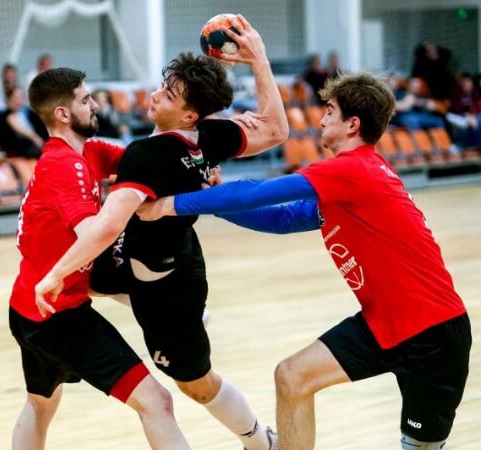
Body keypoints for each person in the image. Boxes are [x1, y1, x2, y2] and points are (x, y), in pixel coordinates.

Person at [137, 72, 471, 450]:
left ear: (352, 124)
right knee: (292, 377)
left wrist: (173, 204)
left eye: (330, 111)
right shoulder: (349, 183)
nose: (321, 120)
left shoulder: (354, 169)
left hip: (432, 335)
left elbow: (258, 193)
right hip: (381, 323)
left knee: (419, 446)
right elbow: (283, 218)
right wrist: (215, 198)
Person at [34, 16, 287, 450]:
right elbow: (276, 129)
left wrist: (54, 273)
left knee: (195, 384)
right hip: (161, 254)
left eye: (167, 95)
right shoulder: (209, 135)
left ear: (188, 114)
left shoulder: (147, 156)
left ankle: (261, 441)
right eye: (162, 86)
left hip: (164, 290)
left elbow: (108, 225)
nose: (154, 95)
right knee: (91, 275)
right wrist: (259, 61)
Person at [9, 67, 190, 450]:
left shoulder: (87, 152)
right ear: (63, 114)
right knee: (156, 402)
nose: (95, 105)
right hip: (57, 315)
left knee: (40, 404)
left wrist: (199, 170)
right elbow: (94, 232)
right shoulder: (64, 165)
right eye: (86, 99)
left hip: (27, 307)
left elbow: (144, 162)